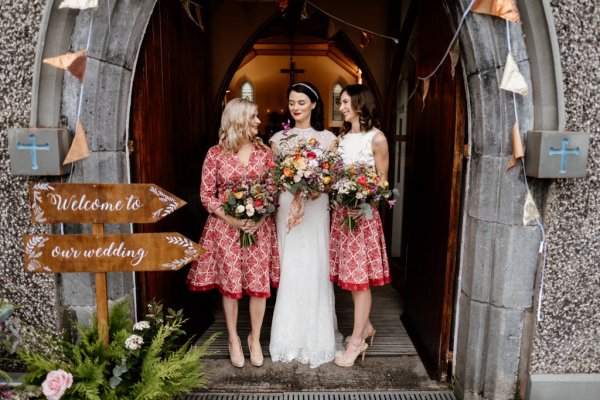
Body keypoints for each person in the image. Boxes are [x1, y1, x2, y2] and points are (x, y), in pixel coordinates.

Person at [186, 98, 280, 368]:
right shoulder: (215, 154)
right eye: (253, 117)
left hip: (259, 229)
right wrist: (232, 219)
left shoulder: (264, 153)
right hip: (225, 230)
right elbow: (206, 195)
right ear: (238, 119)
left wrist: (260, 217)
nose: (258, 122)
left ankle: (255, 338)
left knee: (258, 287)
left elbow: (273, 190)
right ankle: (233, 339)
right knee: (230, 286)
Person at [269, 82, 342, 368]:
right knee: (291, 266)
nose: (296, 107)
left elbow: (332, 179)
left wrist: (316, 189)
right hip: (288, 207)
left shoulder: (328, 139)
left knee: (315, 265)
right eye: (291, 103)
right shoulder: (278, 139)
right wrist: (295, 185)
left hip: (316, 208)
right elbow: (277, 178)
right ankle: (288, 338)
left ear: (313, 104)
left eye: (301, 102)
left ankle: (317, 337)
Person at [329, 84, 391, 367]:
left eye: (344, 102)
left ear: (358, 104)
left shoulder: (377, 139)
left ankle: (356, 342)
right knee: (352, 280)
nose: (341, 107)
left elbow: (382, 183)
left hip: (363, 218)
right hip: (343, 217)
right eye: (340, 102)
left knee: (361, 280)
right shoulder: (341, 140)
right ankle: (364, 327)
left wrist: (363, 197)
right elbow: (333, 177)